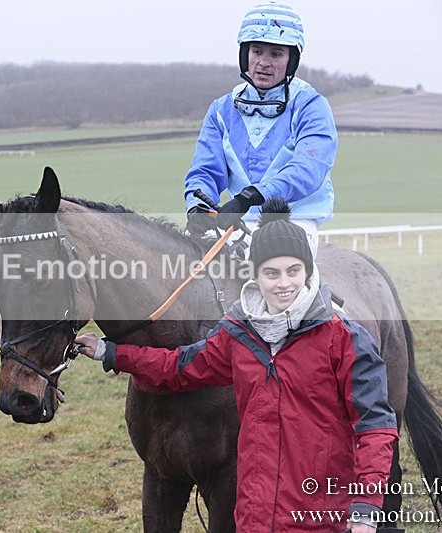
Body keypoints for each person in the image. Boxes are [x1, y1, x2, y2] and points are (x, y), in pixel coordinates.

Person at [76, 198, 398, 532]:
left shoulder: (345, 339)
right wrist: (110, 352)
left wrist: (365, 509)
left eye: (293, 271)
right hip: (255, 520)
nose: (284, 284)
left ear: (307, 271)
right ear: (256, 275)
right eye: (271, 273)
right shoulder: (238, 334)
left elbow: (375, 428)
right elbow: (179, 367)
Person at [184, 1, 337, 257]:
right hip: (238, 222)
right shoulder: (221, 109)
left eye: (276, 54)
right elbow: (205, 170)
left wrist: (251, 196)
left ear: (291, 60)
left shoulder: (311, 106)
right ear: (245, 54)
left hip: (293, 221)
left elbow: (309, 169)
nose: (263, 62)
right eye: (257, 52)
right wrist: (197, 207)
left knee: (273, 266)